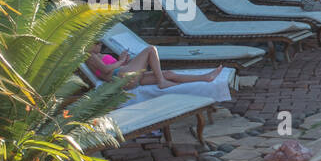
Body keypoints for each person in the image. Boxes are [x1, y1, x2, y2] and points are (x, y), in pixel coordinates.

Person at [86, 44, 222, 89]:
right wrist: (121, 61)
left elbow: (110, 68)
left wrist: (124, 60)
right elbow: (105, 70)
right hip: (122, 77)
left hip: (126, 77)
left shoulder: (96, 55)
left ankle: (205, 78)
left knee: (170, 74)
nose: (100, 45)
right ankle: (162, 82)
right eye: (96, 43)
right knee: (151, 49)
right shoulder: (89, 56)